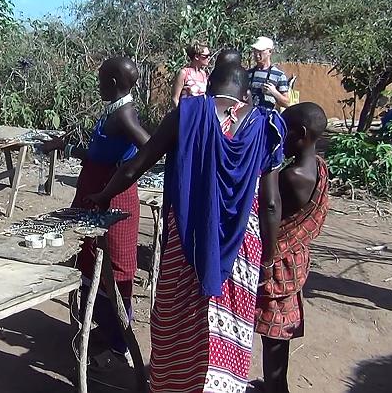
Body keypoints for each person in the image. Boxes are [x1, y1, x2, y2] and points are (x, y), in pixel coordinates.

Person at [86, 63, 285, 393]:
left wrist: (104, 195)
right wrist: (269, 257)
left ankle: (175, 384)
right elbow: (271, 203)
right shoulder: (266, 125)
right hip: (242, 245)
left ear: (210, 84)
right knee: (231, 326)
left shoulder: (188, 113)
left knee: (177, 323)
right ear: (245, 92)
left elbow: (136, 165)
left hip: (189, 238)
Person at [43, 57, 150, 373]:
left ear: (113, 83)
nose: (98, 84)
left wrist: (125, 172)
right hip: (98, 198)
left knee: (115, 269)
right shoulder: (115, 110)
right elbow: (99, 154)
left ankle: (116, 342)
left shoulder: (124, 114)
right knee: (92, 260)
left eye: (101, 79)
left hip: (113, 201)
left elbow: (149, 147)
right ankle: (100, 331)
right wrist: (65, 148)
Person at [254, 102, 329, 393]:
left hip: (278, 262)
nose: (279, 139)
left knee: (273, 335)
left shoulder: (291, 176)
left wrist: (267, 260)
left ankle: (276, 387)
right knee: (277, 336)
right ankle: (275, 384)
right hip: (294, 259)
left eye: (283, 133)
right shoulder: (318, 167)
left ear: (301, 134)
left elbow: (269, 208)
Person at [249, 37, 291, 109]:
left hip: (268, 114)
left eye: (260, 51)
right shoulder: (248, 74)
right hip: (249, 113)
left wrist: (274, 92)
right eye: (255, 50)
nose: (257, 54)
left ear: (270, 52)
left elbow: (287, 103)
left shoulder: (279, 76)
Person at [171, 40, 211, 105]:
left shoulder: (204, 74)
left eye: (209, 55)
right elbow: (175, 98)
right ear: (196, 57)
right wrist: (181, 111)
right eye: (206, 56)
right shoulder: (184, 73)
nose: (208, 58)